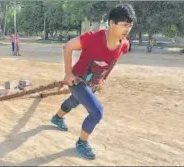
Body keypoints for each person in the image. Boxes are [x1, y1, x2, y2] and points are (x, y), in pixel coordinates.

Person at [50, 3, 136, 159]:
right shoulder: (93, 38)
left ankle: (57, 117)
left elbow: (113, 62)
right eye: (124, 25)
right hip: (78, 80)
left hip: (93, 83)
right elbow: (68, 46)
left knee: (74, 101)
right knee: (97, 112)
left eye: (130, 26)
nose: (127, 29)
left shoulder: (124, 44)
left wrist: (103, 79)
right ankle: (81, 143)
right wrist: (68, 74)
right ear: (112, 23)